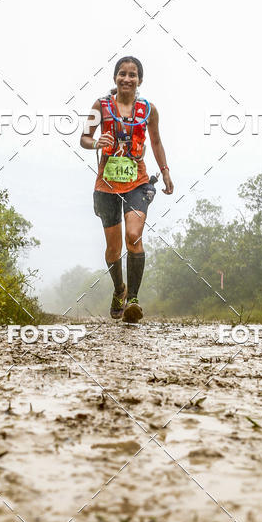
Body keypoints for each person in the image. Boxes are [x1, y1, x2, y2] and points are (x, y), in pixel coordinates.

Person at [80, 56, 174, 323]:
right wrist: (97, 142)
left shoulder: (148, 110)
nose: (127, 79)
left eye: (132, 75)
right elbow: (84, 138)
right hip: (106, 184)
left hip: (137, 182)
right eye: (122, 73)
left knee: (133, 236)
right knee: (113, 248)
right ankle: (119, 289)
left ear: (139, 81)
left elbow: (155, 142)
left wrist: (165, 172)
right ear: (115, 78)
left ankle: (133, 300)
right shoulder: (101, 105)